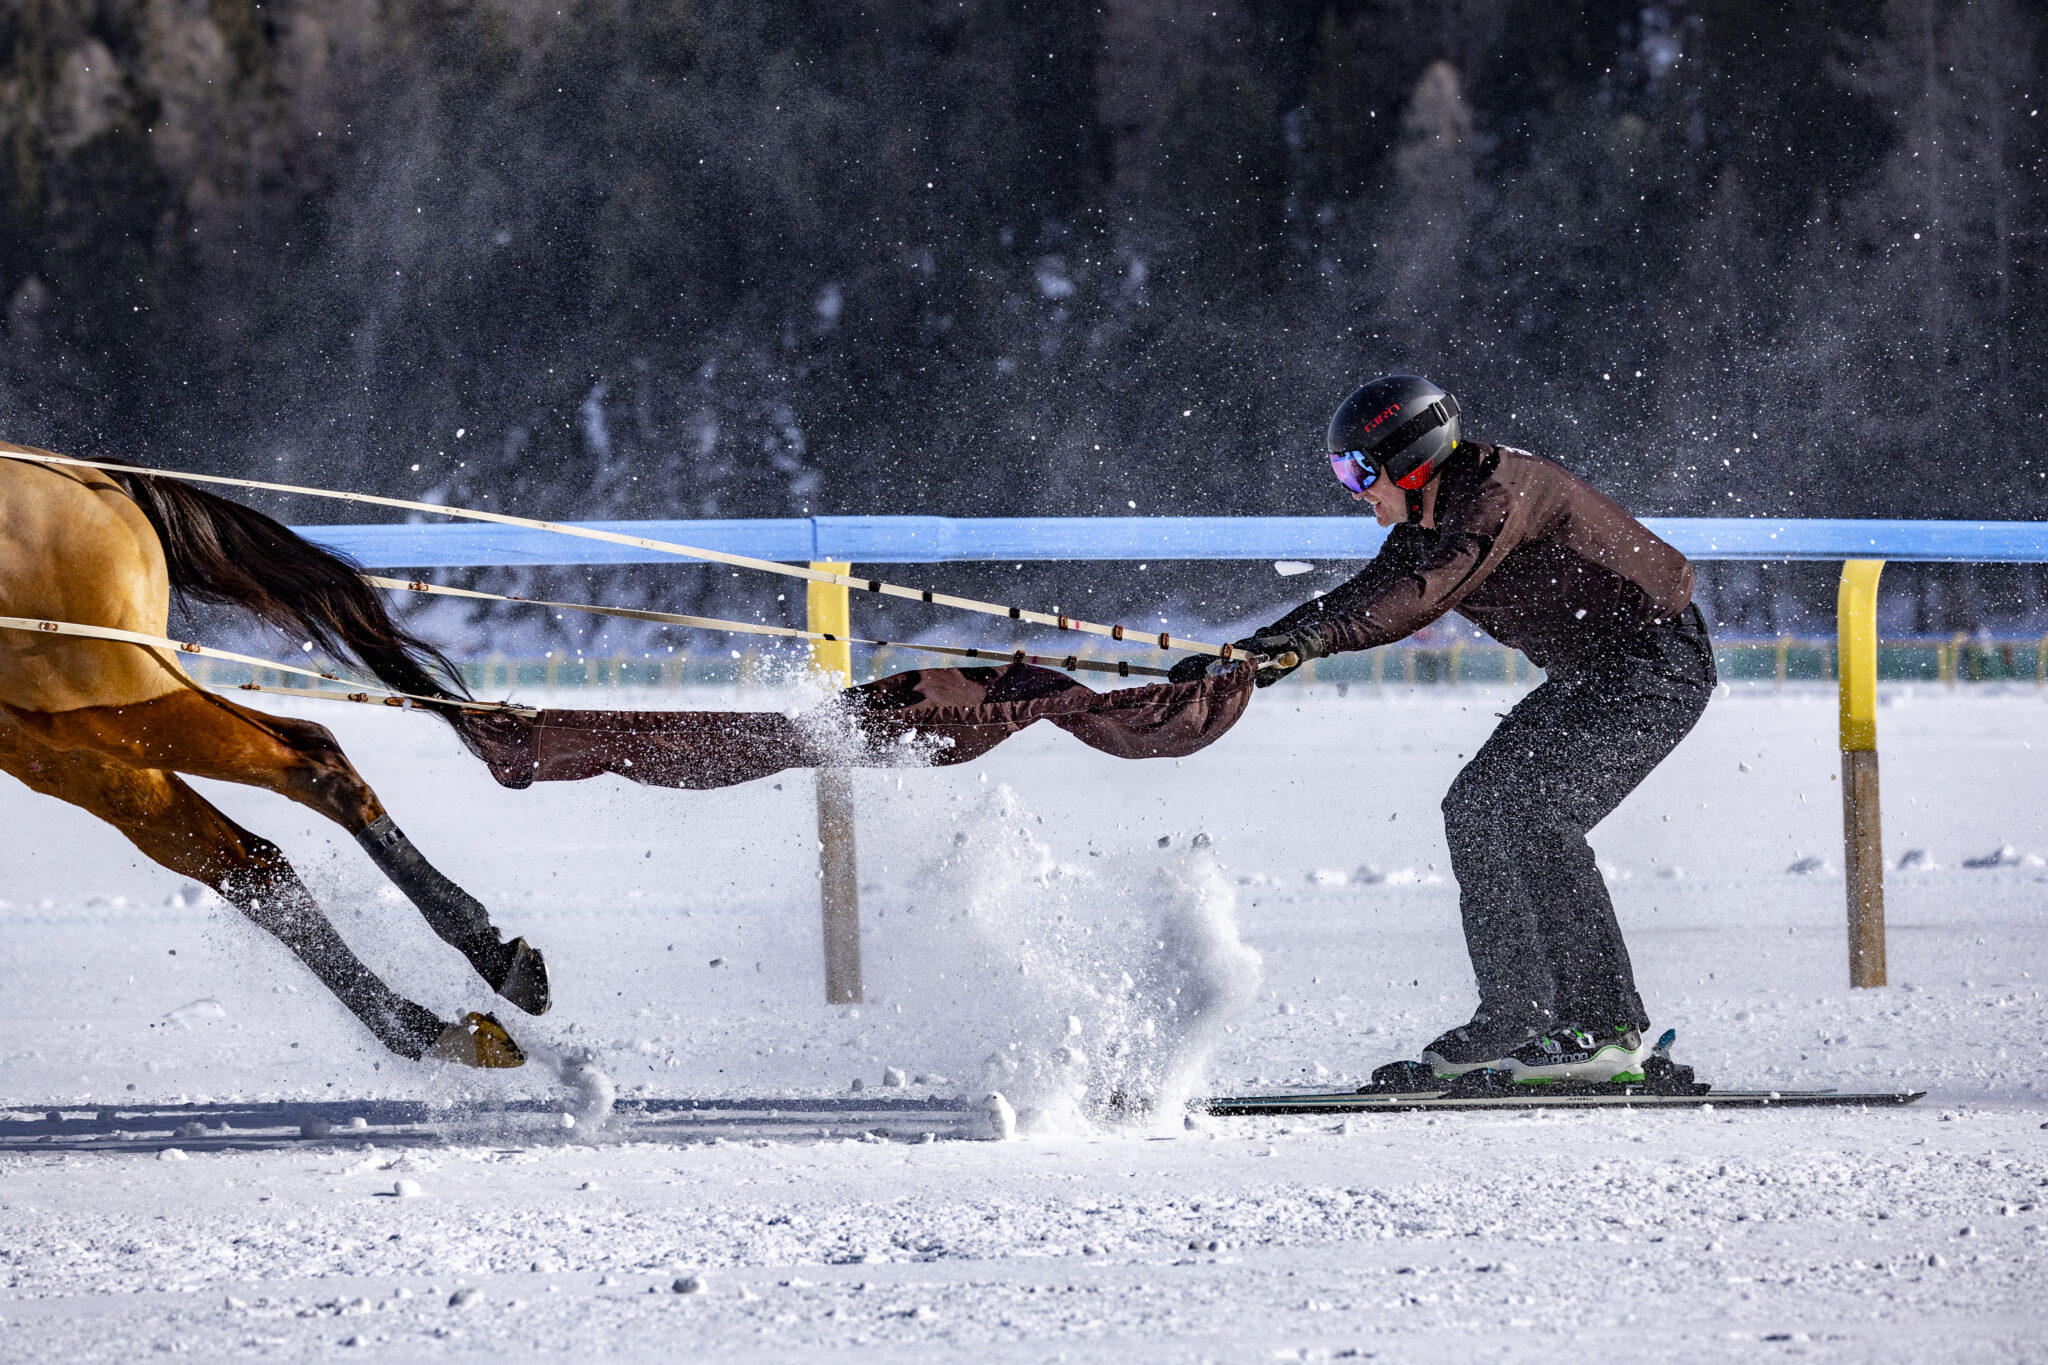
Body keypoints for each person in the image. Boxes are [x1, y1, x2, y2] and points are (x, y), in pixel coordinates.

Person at [1215, 374, 1714, 1085]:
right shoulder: (1434, 511)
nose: (1353, 488)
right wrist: (1260, 647)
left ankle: (1608, 1029)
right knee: (1478, 806)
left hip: (1655, 666)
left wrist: (1315, 641)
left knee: (1538, 814)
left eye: (1357, 468)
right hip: (1593, 674)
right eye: (1339, 470)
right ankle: (1521, 1012)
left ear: (1411, 457)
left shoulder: (1492, 499)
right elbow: (1367, 591)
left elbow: (1420, 596)